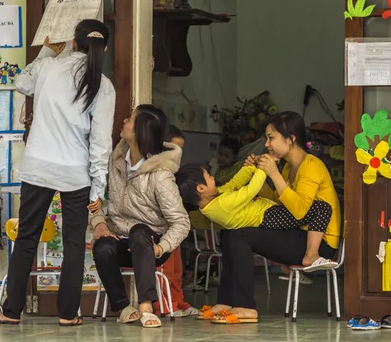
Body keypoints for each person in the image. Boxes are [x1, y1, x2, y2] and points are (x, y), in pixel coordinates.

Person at [0, 19, 116, 327]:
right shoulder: (103, 85)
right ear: (105, 48)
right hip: (76, 174)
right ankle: (68, 314)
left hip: (38, 168)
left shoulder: (48, 68)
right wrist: (97, 190)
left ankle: (10, 311)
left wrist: (46, 50)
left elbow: (22, 82)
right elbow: (101, 144)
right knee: (74, 244)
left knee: (27, 239)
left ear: (72, 42)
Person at [201, 111, 341, 324]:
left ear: (290, 139)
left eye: (271, 137)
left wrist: (273, 174)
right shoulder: (287, 167)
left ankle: (245, 306)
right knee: (230, 232)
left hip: (318, 243)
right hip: (295, 233)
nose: (267, 144)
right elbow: (277, 204)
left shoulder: (311, 166)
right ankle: (226, 300)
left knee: (241, 235)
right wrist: (259, 172)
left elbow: (300, 211)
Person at [90, 105, 190, 328]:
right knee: (102, 246)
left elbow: (181, 221)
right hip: (120, 240)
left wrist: (162, 246)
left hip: (150, 246)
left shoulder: (160, 175)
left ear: (141, 132)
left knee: (139, 231)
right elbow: (97, 201)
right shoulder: (116, 162)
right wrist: (99, 223)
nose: (124, 122)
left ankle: (146, 305)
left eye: (130, 120)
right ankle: (125, 307)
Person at [175, 162, 336, 268]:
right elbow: (250, 190)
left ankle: (288, 266)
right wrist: (264, 168)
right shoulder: (221, 205)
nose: (213, 178)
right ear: (200, 188)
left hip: (269, 215)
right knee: (322, 208)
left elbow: (234, 183)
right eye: (209, 177)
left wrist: (250, 167)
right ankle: (311, 255)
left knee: (309, 211)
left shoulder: (213, 200)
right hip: (269, 217)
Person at [152, 125, 198, 317]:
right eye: (173, 150)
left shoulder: (172, 173)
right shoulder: (155, 171)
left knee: (176, 269)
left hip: (174, 227)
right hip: (159, 229)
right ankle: (164, 306)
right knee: (164, 269)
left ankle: (178, 301)